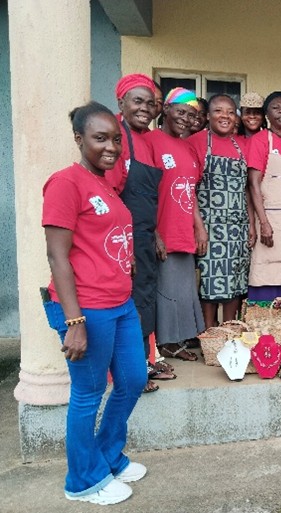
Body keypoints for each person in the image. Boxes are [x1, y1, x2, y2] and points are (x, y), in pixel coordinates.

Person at [42, 102, 148, 504]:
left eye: (115, 139)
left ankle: (106, 455)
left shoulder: (105, 184)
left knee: (134, 380)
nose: (111, 147)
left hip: (120, 303)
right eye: (100, 138)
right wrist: (74, 322)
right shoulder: (65, 183)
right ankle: (83, 480)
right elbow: (57, 255)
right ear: (79, 139)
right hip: (87, 309)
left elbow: (105, 237)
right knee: (87, 394)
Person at [107, 73, 174, 393]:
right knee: (126, 303)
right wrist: (127, 243)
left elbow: (147, 197)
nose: (145, 108)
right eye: (137, 101)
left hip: (145, 234)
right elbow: (111, 195)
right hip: (122, 238)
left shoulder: (147, 140)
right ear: (121, 103)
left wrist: (156, 233)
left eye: (150, 103)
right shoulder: (116, 138)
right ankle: (124, 372)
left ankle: (142, 363)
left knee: (144, 301)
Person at [145, 87, 206, 362]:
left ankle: (176, 339)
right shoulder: (151, 141)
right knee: (166, 288)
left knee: (182, 287)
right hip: (162, 228)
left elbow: (189, 192)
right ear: (165, 110)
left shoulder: (189, 147)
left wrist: (199, 226)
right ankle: (166, 342)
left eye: (191, 115)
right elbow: (143, 191)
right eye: (180, 112)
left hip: (183, 228)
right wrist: (154, 231)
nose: (185, 118)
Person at [188, 94, 254, 326]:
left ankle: (228, 333)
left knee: (235, 281)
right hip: (210, 226)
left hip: (237, 227)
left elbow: (247, 189)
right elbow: (190, 190)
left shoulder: (243, 144)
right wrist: (199, 227)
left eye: (230, 111)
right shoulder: (195, 142)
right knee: (209, 282)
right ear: (207, 115)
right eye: (218, 111)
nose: (224, 116)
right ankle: (209, 334)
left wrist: (252, 226)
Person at [247, 91, 281, 301]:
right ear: (267, 115)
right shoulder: (261, 140)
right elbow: (253, 184)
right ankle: (263, 329)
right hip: (269, 218)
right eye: (275, 107)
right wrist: (263, 223)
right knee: (265, 276)